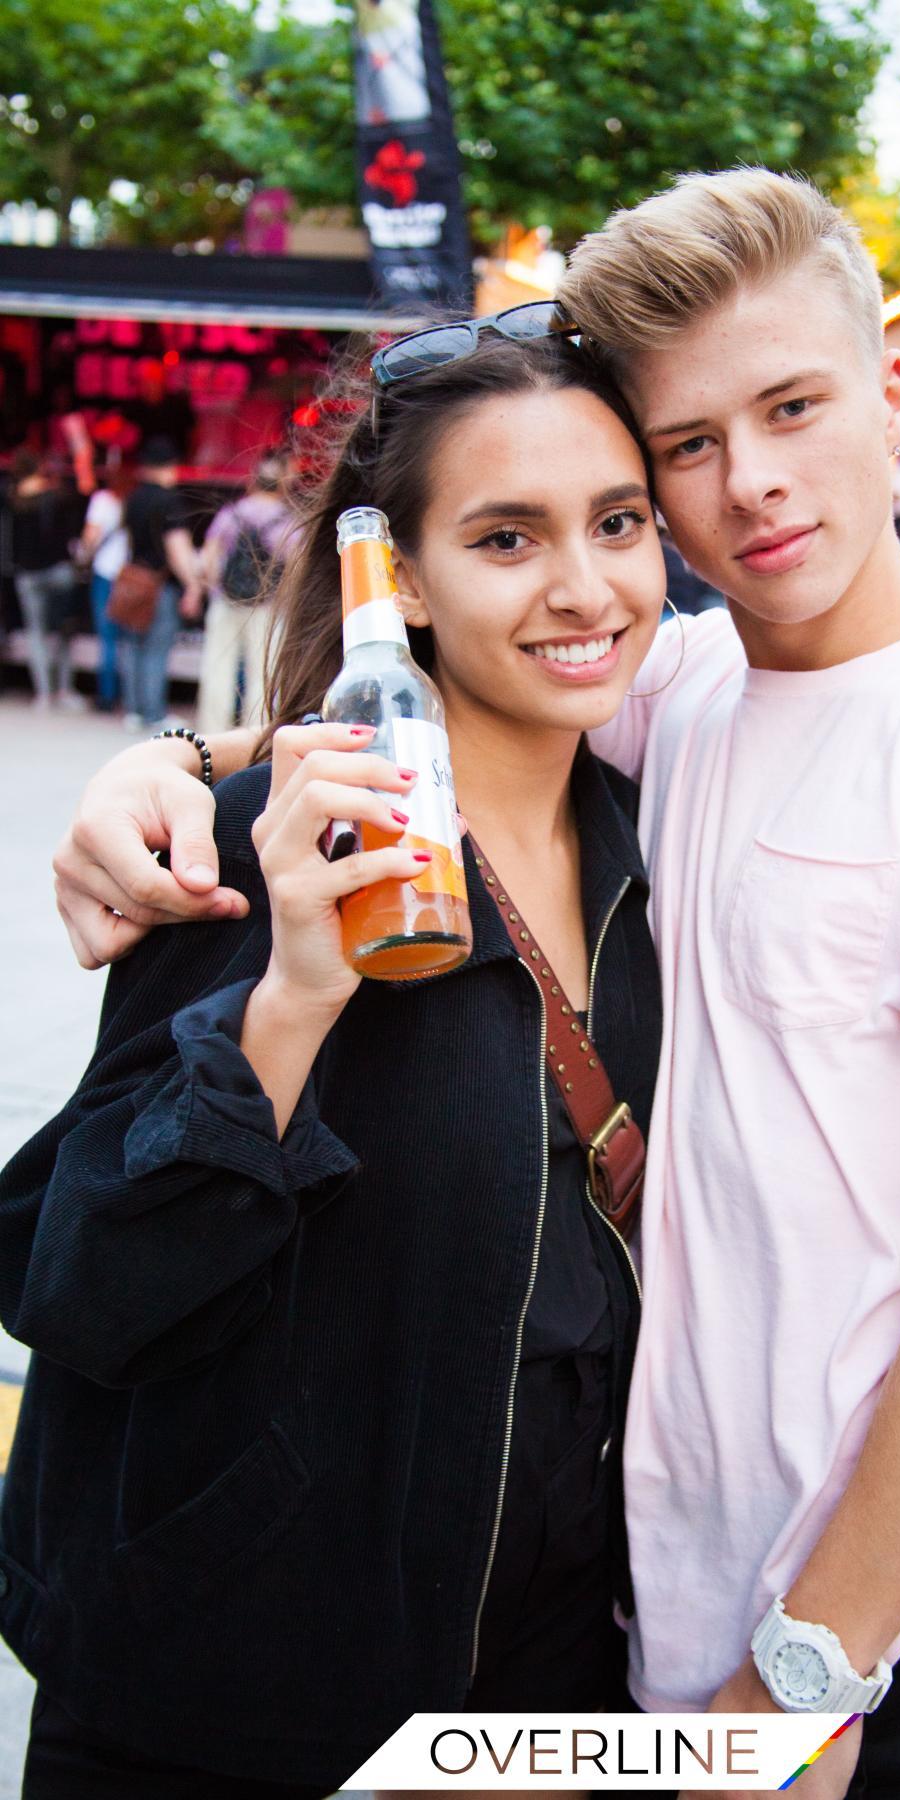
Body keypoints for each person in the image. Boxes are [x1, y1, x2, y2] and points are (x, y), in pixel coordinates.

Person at [50, 170, 900, 1800]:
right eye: (688, 449)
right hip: (629, 1614)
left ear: (896, 399)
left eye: (792, 408)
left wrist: (808, 1680)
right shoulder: (676, 688)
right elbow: (462, 682)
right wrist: (159, 768)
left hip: (871, 1636)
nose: (750, 486)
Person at [0, 329, 666, 1795]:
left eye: (618, 523)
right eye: (508, 537)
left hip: (536, 1697)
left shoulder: (651, 848)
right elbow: (86, 1284)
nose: (584, 586)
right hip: (228, 1701)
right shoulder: (260, 847)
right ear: (405, 581)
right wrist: (294, 995)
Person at [196, 450, 299, 735]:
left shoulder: (232, 513)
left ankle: (213, 733)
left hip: (225, 601)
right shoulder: (287, 523)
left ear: (254, 480)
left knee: (218, 667)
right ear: (283, 484)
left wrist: (216, 587)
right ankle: (255, 734)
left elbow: (208, 559)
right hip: (267, 606)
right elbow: (295, 569)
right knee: (263, 674)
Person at [118, 437, 203, 732]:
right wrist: (193, 584)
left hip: (133, 580)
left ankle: (133, 709)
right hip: (160, 584)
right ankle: (153, 712)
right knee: (157, 648)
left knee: (133, 646)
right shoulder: (169, 501)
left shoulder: (133, 498)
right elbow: (177, 548)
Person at [7, 449, 86, 711]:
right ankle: (64, 689)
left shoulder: (13, 500)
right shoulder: (57, 496)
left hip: (28, 574)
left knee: (37, 635)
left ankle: (44, 693)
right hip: (58, 571)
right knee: (63, 632)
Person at [78, 464, 131, 713]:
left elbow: (91, 537)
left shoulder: (102, 501)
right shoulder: (132, 501)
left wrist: (82, 556)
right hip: (130, 576)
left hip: (106, 573)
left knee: (107, 637)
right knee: (129, 638)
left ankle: (107, 695)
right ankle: (131, 695)